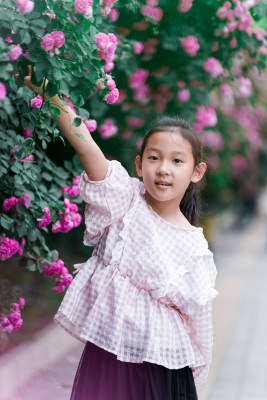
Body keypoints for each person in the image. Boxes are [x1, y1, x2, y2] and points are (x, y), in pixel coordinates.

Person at [19, 72, 218, 399]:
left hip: (163, 374)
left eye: (176, 160)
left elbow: (200, 330)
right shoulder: (124, 199)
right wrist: (47, 91)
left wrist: (194, 381)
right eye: (154, 158)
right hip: (109, 358)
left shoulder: (196, 250)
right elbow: (86, 148)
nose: (163, 168)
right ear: (139, 165)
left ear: (196, 171)